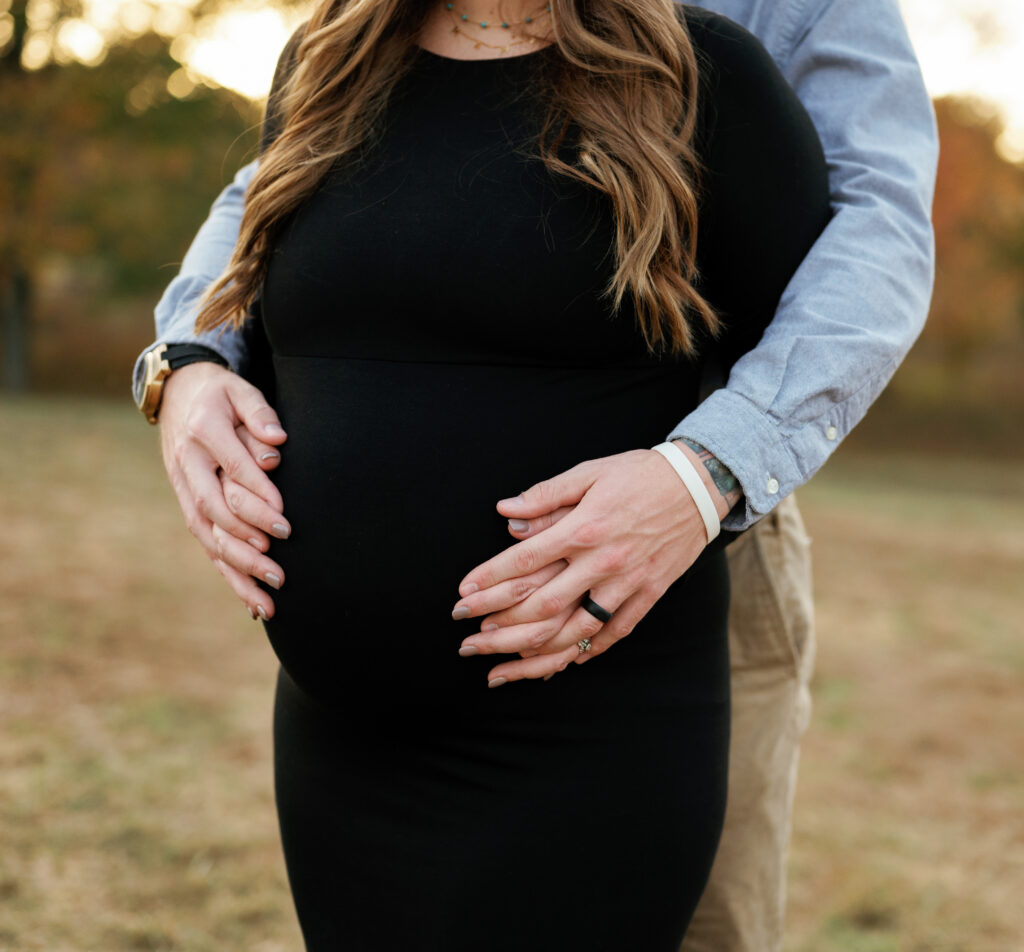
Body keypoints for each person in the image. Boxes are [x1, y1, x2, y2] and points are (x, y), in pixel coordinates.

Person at [132, 1, 937, 949]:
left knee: (710, 931)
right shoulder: (333, 47)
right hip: (342, 744)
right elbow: (266, 201)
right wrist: (185, 360)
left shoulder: (715, 72)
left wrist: (711, 471)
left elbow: (871, 232)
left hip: (651, 602)